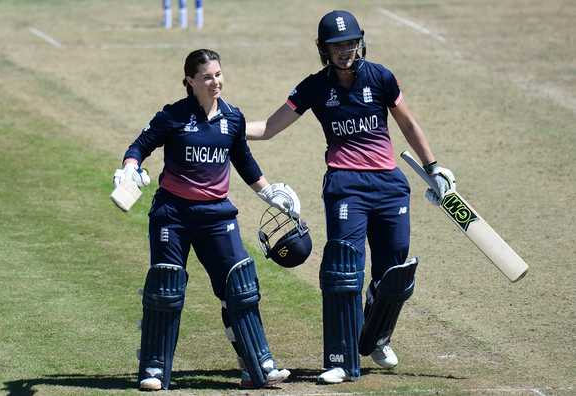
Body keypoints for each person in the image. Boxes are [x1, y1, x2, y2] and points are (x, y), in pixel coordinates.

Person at [246, 10, 456, 384]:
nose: (345, 50)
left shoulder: (380, 77)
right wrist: (223, 124)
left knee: (394, 271)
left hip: (389, 184)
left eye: (350, 43)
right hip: (346, 185)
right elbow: (267, 128)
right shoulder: (314, 87)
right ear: (323, 49)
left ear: (360, 42)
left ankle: (376, 336)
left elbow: (407, 122)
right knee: (345, 267)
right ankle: (341, 358)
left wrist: (434, 166)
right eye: (336, 45)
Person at [113, 49, 299, 391]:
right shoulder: (173, 116)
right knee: (166, 289)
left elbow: (244, 161)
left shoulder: (233, 118)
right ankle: (153, 369)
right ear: (190, 81)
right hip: (173, 215)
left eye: (218, 74)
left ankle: (258, 364)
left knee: (240, 287)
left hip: (216, 216)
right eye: (208, 77)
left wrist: (269, 192)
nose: (216, 82)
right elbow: (139, 146)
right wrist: (128, 169)